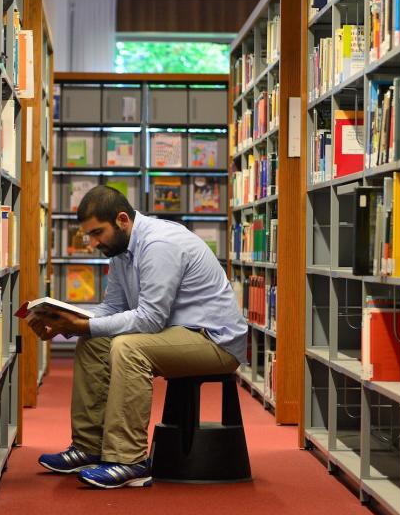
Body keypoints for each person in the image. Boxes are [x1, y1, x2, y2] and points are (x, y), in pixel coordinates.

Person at [28, 185, 247, 489]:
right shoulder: (120, 249)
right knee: (94, 342)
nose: (92, 243)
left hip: (214, 341)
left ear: (122, 219)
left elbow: (149, 319)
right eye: (88, 236)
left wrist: (83, 325)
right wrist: (70, 320)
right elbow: (113, 307)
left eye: (97, 233)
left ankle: (129, 460)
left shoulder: (158, 244)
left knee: (129, 347)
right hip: (176, 333)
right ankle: (89, 447)